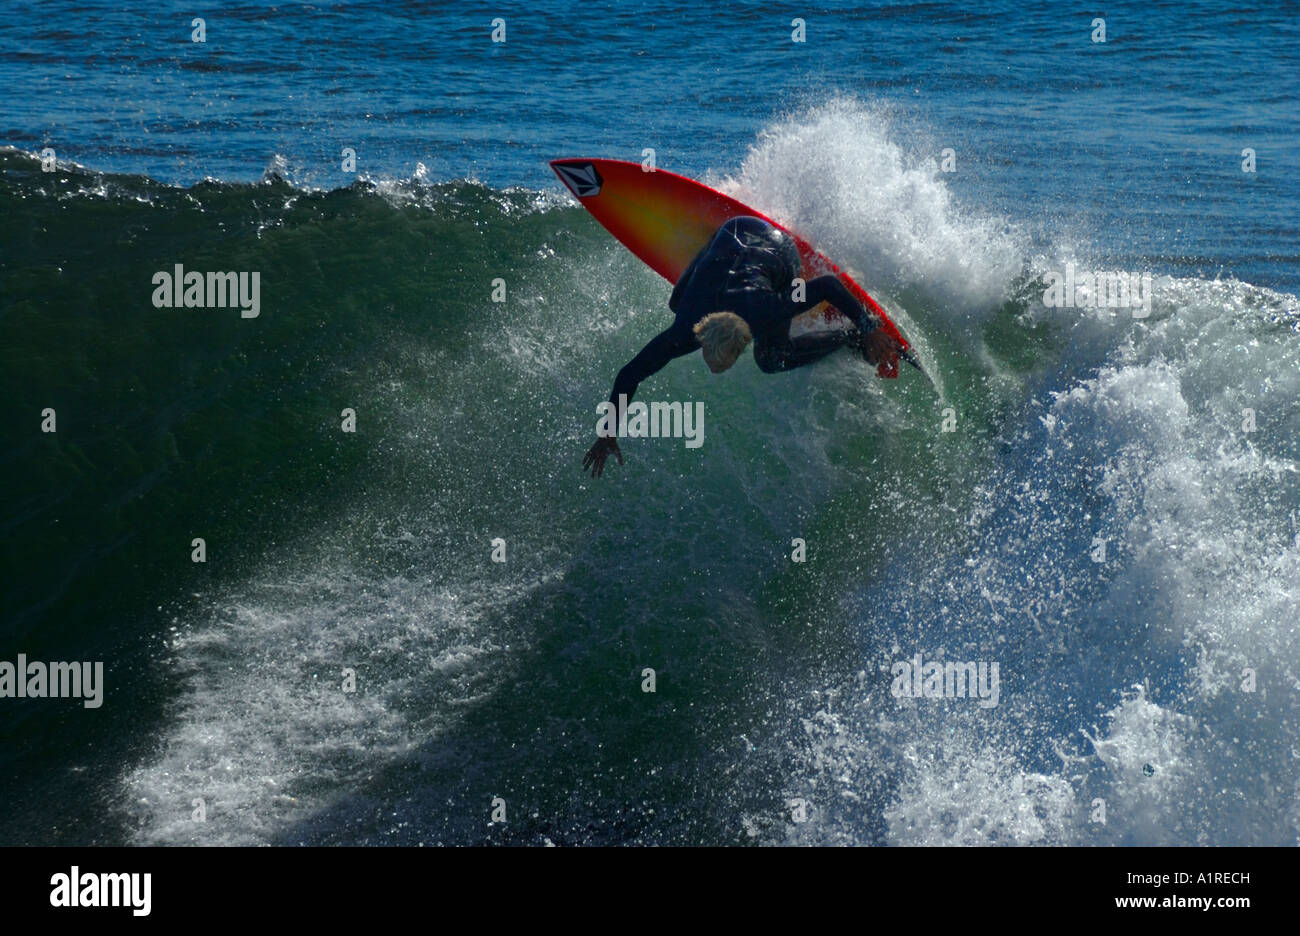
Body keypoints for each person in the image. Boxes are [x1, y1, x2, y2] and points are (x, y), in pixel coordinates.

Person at [583, 215, 903, 477]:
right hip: (736, 228)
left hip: (777, 249)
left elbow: (828, 286)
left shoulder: (764, 309)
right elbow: (629, 374)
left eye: (721, 362)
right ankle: (714, 256)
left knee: (772, 358)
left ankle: (849, 339)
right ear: (702, 337)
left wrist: (868, 327)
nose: (713, 367)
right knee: (677, 302)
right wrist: (608, 430)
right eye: (710, 358)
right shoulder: (684, 331)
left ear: (741, 344)